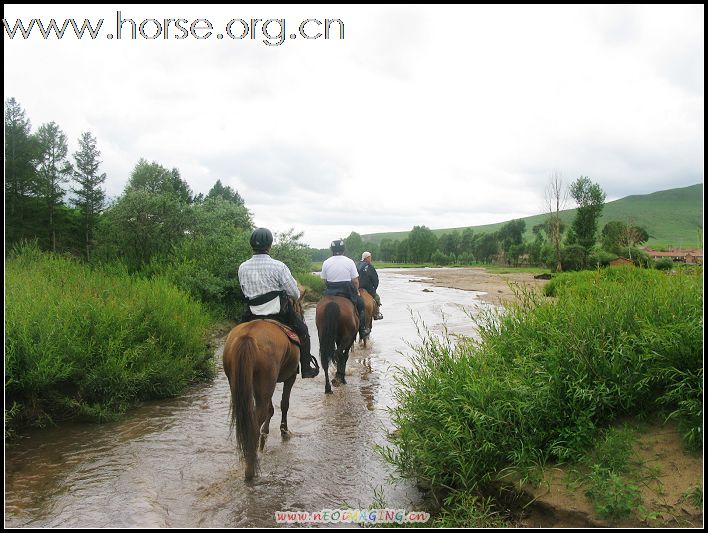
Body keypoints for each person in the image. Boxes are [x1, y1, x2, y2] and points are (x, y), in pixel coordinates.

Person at [238, 227, 319, 378]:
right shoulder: (279, 266)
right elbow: (294, 293)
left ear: (252, 245)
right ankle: (306, 368)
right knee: (303, 331)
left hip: (252, 313)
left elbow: (244, 291)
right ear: (269, 245)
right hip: (278, 314)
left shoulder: (242, 267)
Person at [320, 239, 371, 339]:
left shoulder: (326, 262)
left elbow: (324, 281)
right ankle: (362, 330)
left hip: (330, 292)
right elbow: (355, 281)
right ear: (343, 249)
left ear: (332, 250)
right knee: (361, 305)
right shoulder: (349, 261)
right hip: (346, 291)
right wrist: (356, 291)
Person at [357, 251, 383, 320]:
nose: (371, 259)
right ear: (366, 258)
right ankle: (377, 314)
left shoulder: (357, 265)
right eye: (370, 257)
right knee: (377, 298)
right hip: (368, 288)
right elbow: (375, 280)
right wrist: (374, 289)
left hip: (357, 288)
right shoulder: (370, 267)